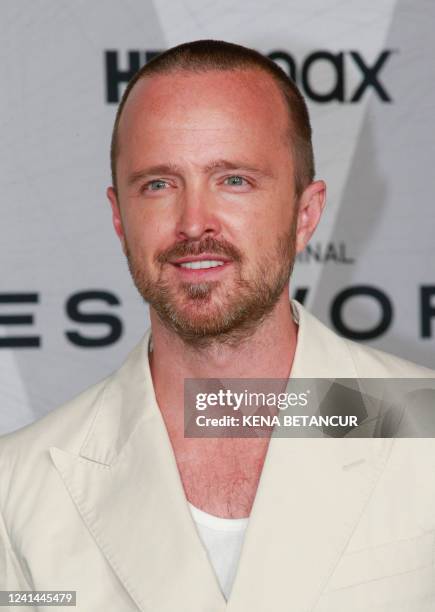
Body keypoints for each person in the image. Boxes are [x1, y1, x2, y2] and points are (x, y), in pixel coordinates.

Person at [1, 40, 434, 612]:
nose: (194, 223)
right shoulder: (16, 487)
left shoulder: (423, 434)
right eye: (158, 184)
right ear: (117, 216)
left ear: (306, 213)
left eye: (233, 180)